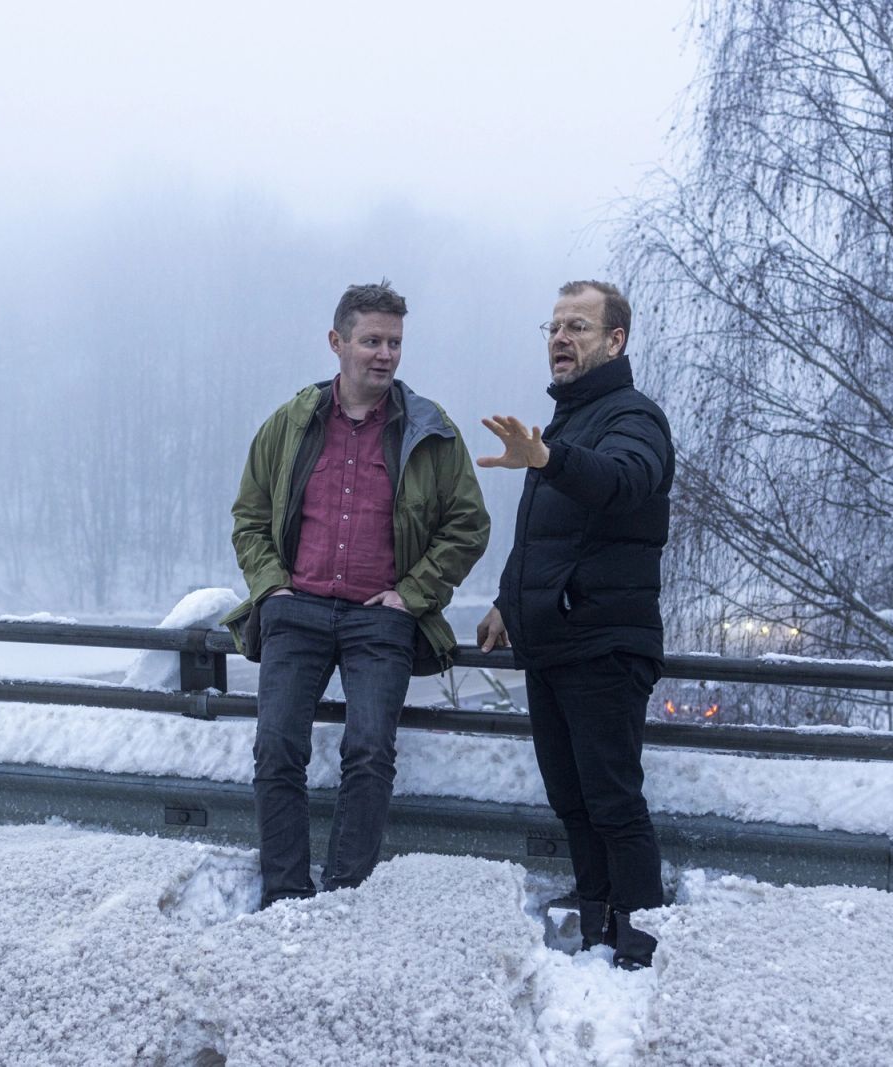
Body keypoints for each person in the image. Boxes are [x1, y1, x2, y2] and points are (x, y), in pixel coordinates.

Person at [223, 280, 490, 910]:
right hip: (297, 610)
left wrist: (412, 594)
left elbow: (468, 525)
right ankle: (286, 895)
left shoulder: (429, 429)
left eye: (394, 342)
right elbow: (249, 517)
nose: (385, 354)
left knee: (369, 751)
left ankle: (345, 897)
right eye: (371, 341)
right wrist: (272, 586)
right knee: (276, 748)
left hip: (381, 618)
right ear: (336, 342)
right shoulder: (292, 424)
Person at [475, 280, 674, 970]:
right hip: (556, 644)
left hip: (604, 645)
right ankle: (598, 930)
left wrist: (550, 460)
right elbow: (545, 538)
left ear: (615, 341)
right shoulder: (565, 424)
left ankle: (641, 947)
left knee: (613, 802)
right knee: (573, 802)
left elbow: (623, 480)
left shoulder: (634, 418)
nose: (560, 338)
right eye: (554, 327)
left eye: (578, 327)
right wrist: (508, 600)